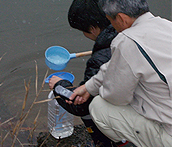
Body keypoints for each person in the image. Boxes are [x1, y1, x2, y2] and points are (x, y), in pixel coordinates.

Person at [68, 0, 172, 146]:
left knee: (99, 107)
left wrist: (99, 92)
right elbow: (114, 65)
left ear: (122, 18)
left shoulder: (126, 40)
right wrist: (89, 87)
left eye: (111, 20)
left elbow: (117, 97)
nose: (112, 26)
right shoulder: (166, 25)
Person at [48, 0, 119, 146]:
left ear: (93, 28)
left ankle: (106, 143)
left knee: (90, 107)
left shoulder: (100, 59)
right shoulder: (127, 33)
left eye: (83, 30)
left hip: (126, 123)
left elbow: (80, 105)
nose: (84, 34)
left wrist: (59, 86)